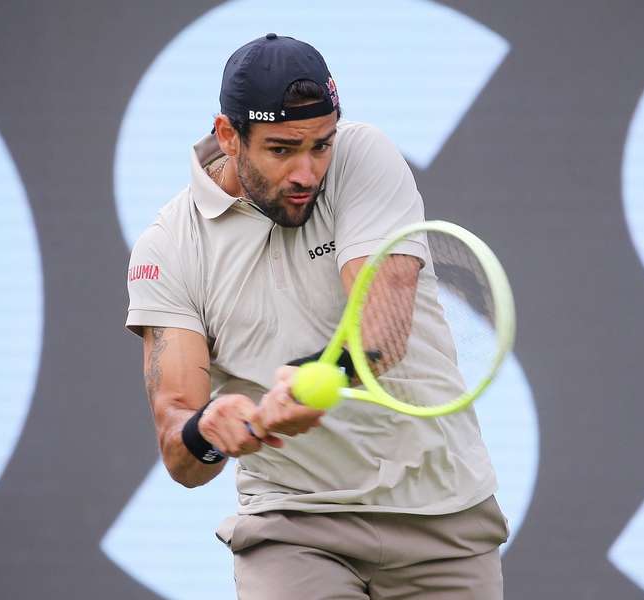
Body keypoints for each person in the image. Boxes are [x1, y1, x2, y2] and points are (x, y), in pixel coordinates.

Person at [125, 33, 508, 600]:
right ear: (228, 136)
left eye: (320, 145)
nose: (307, 171)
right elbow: (180, 453)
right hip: (292, 525)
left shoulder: (363, 155)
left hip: (443, 511)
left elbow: (380, 331)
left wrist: (311, 381)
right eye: (282, 149)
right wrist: (209, 429)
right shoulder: (168, 248)